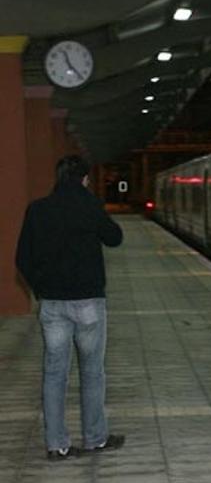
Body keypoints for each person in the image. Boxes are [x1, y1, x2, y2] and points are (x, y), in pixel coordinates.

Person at [15, 154, 125, 461]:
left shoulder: (37, 210)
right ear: (85, 179)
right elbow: (115, 238)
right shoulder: (89, 205)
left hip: (52, 304)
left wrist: (41, 289)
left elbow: (22, 258)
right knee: (92, 373)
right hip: (88, 302)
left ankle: (57, 445)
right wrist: (94, 209)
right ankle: (95, 438)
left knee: (54, 374)